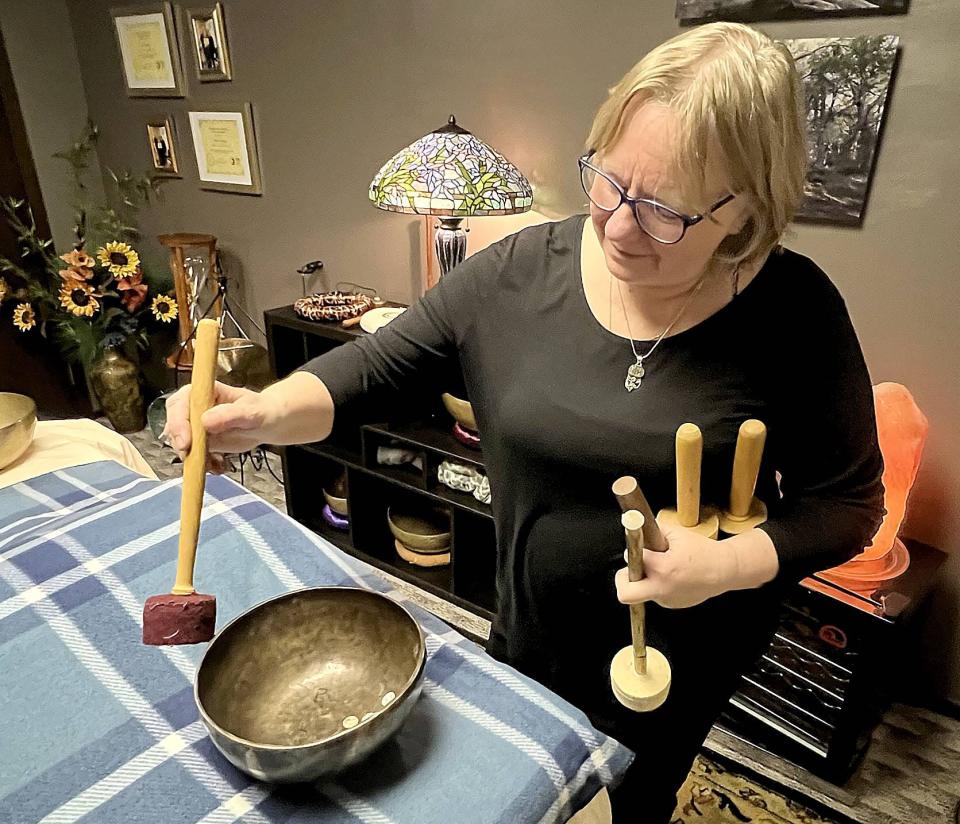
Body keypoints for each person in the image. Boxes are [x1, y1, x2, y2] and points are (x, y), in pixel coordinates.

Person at [163, 22, 884, 822]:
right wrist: (259, 412)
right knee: (526, 792)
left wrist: (724, 566)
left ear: (746, 207)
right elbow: (373, 370)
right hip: (529, 624)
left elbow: (848, 508)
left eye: (663, 213)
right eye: (606, 183)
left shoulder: (795, 312)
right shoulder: (515, 271)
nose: (615, 226)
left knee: (629, 803)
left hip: (685, 652)